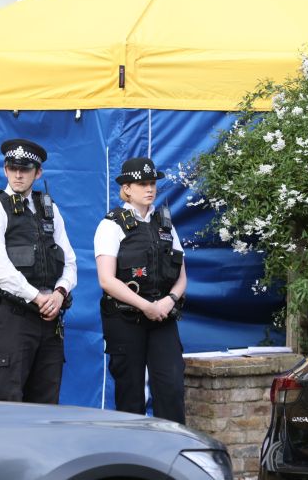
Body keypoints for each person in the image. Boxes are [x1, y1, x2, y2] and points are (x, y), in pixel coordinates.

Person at [0, 138, 77, 404]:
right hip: (14, 318)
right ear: (6, 169)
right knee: (6, 406)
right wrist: (36, 296)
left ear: (38, 172)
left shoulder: (49, 209)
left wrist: (59, 293)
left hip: (49, 321)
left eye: (26, 169)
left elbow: (69, 261)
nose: (18, 174)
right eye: (12, 168)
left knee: (46, 406)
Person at [94, 156, 188, 423]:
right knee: (130, 396)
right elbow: (106, 280)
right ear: (127, 189)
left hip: (162, 317)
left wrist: (169, 300)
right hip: (126, 320)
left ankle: (171, 455)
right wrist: (145, 305)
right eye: (142, 183)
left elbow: (182, 278)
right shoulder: (110, 225)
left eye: (152, 183)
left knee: (171, 389)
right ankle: (131, 459)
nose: (149, 189)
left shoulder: (166, 224)